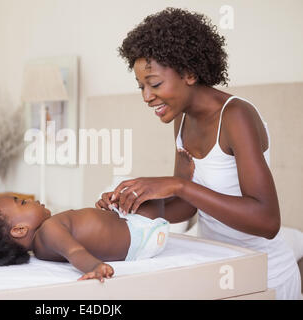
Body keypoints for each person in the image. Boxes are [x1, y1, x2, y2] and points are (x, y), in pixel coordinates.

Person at [96, 7, 301, 299]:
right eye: (141, 86)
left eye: (154, 84)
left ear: (189, 73)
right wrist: (133, 205)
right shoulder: (181, 118)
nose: (146, 96)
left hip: (266, 275)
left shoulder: (236, 116)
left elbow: (267, 222)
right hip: (218, 266)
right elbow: (187, 206)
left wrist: (178, 184)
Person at [0, 193, 169, 282]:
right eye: (23, 203)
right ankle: (183, 177)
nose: (32, 198)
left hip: (136, 238)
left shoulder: (42, 248)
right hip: (141, 230)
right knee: (143, 190)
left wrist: (112, 213)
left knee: (136, 195)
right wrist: (94, 267)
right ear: (19, 229)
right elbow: (75, 252)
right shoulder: (48, 230)